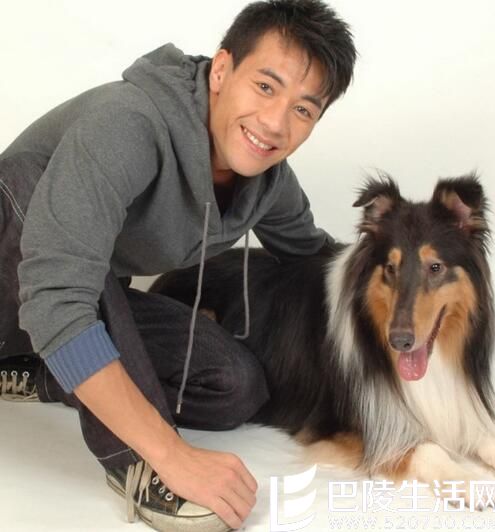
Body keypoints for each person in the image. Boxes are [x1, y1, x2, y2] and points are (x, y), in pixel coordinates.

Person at [0, 0, 356, 530]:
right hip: (21, 274)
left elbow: (318, 258)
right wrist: (172, 453)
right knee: (34, 196)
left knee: (234, 384)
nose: (275, 123)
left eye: (304, 110)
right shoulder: (127, 123)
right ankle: (140, 463)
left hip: (61, 308)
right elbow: (57, 296)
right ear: (221, 70)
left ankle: (33, 373)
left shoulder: (269, 184)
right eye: (265, 86)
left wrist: (402, 268)